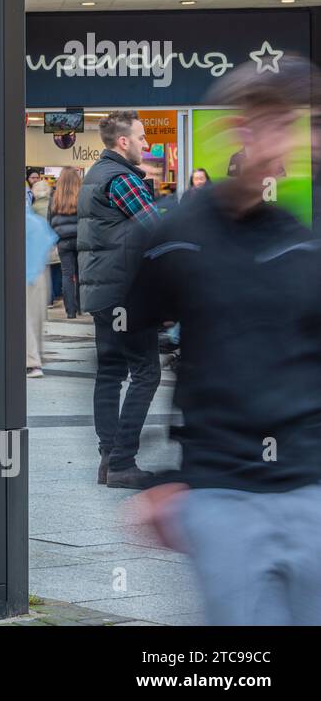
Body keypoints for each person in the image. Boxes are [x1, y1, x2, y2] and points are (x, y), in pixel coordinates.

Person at [128, 58, 321, 624]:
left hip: (309, 489)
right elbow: (127, 340)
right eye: (276, 124)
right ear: (239, 132)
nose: (291, 143)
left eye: (296, 125)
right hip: (222, 494)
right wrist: (160, 478)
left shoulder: (303, 242)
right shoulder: (176, 238)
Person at [77, 110, 162, 489]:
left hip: (101, 291)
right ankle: (123, 461)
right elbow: (157, 230)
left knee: (111, 373)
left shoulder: (94, 176)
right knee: (147, 372)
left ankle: (109, 459)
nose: (148, 143)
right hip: (125, 293)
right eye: (143, 137)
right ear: (123, 141)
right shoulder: (123, 180)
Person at [25, 205, 58, 379]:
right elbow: (51, 247)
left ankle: (32, 363)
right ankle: (37, 356)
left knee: (22, 319)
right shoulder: (37, 222)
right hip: (41, 273)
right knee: (36, 318)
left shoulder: (16, 223)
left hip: (21, 274)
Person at [49, 167, 82, 319]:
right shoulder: (81, 194)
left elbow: (50, 218)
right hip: (80, 239)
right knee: (81, 273)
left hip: (63, 241)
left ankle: (70, 311)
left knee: (67, 275)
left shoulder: (55, 196)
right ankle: (81, 306)